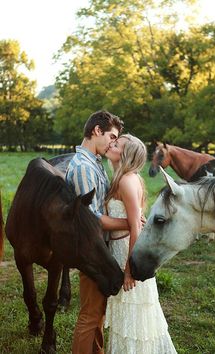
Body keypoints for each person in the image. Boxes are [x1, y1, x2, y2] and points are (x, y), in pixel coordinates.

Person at [104, 134, 178, 354]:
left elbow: (136, 227)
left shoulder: (127, 181)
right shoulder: (123, 177)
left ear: (126, 154)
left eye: (117, 144)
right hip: (119, 249)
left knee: (135, 318)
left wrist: (130, 271)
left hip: (128, 252)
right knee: (129, 319)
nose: (111, 144)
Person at [66, 110, 128, 354]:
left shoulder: (94, 163)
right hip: (91, 250)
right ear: (97, 131)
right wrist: (130, 223)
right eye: (111, 137)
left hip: (99, 247)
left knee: (98, 312)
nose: (113, 143)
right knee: (90, 315)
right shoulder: (83, 167)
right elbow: (93, 219)